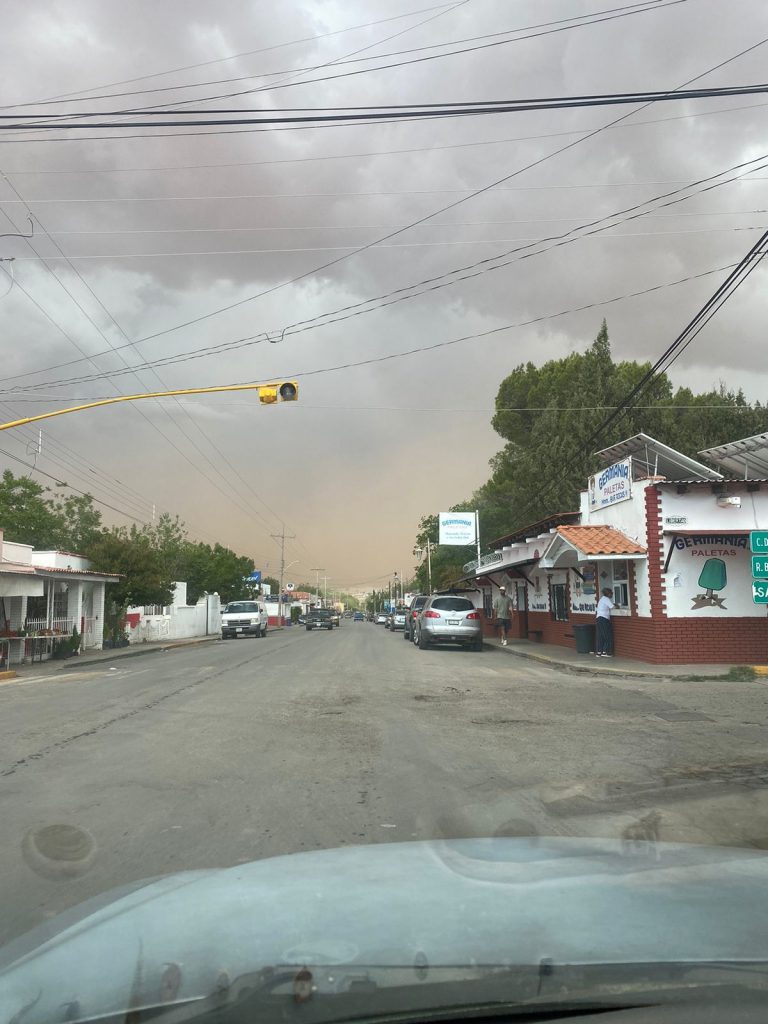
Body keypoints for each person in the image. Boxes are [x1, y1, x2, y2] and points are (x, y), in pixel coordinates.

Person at [595, 587, 615, 657]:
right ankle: (606, 652)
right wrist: (616, 605)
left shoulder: (602, 599)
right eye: (611, 593)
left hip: (599, 618)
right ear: (608, 593)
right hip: (604, 619)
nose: (612, 594)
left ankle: (599, 652)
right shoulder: (606, 599)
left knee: (600, 636)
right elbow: (612, 607)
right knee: (607, 635)